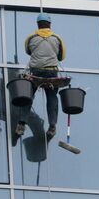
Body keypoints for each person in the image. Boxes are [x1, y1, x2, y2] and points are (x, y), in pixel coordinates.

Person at [24, 12, 66, 140]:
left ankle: (21, 123)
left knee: (28, 96)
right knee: (52, 97)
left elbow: (28, 51)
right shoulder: (57, 38)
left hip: (36, 72)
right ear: (50, 24)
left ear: (38, 24)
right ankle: (52, 125)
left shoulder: (31, 37)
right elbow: (61, 57)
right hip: (51, 72)